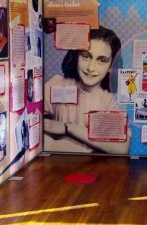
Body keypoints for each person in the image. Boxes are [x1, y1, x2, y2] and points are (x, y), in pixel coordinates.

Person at [44, 26, 130, 154]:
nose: (91, 67)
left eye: (102, 60)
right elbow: (33, 126)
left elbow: (121, 148)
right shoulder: (57, 84)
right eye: (86, 56)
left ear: (111, 66)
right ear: (76, 56)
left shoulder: (112, 100)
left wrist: (67, 128)